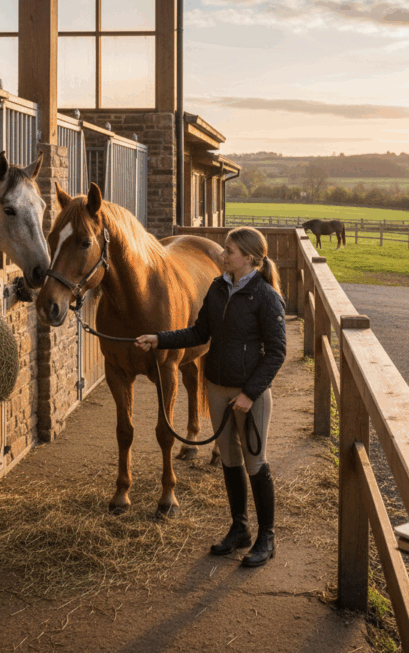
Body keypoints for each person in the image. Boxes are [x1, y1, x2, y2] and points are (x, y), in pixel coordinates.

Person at [135, 227, 286, 567]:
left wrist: (249, 393)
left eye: (229, 251)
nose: (222, 255)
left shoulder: (265, 296)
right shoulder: (219, 287)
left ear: (248, 258)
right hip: (216, 387)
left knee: (255, 463)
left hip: (250, 395)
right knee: (230, 460)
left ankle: (266, 537)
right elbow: (199, 332)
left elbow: (277, 352)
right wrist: (159, 339)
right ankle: (239, 529)